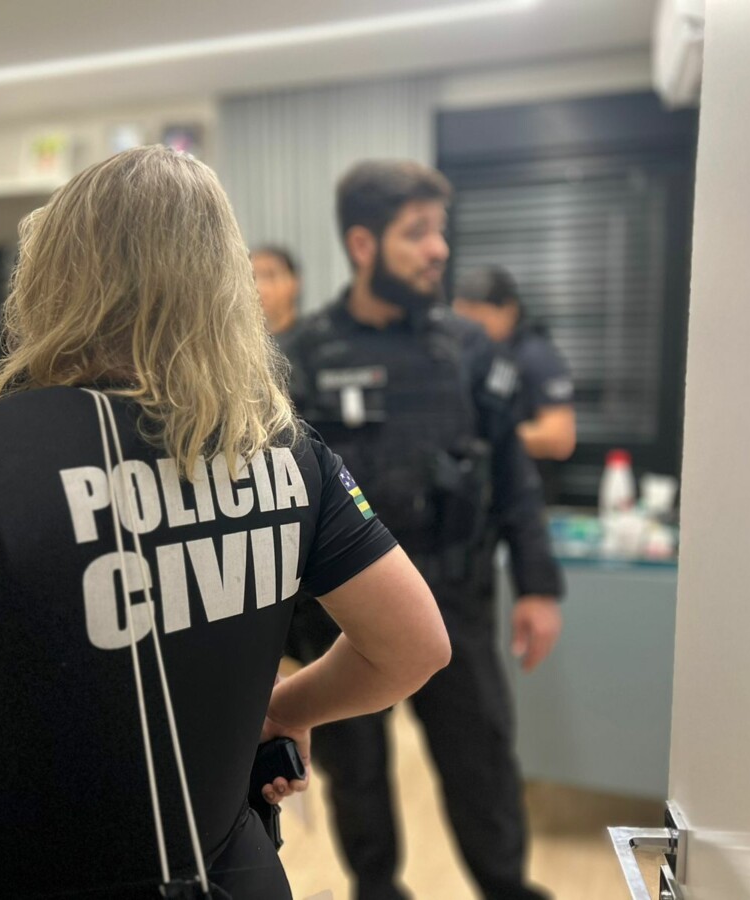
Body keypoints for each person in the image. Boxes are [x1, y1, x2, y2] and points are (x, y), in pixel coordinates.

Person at [0, 146, 452, 900]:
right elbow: (413, 646)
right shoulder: (287, 453)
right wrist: (287, 706)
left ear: (51, 279)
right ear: (224, 284)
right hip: (232, 877)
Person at [283, 160, 564, 900]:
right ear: (363, 244)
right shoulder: (301, 357)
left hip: (455, 596)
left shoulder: (470, 349)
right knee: (357, 775)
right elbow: (278, 498)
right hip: (339, 612)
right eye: (417, 233)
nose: (439, 249)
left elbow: (514, 477)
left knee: (482, 761)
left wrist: (537, 586)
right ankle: (376, 888)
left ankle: (504, 887)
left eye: (439, 230)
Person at [453, 266, 576, 461]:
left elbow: (559, 439)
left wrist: (493, 435)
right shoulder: (456, 354)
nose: (468, 329)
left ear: (509, 311)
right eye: (461, 319)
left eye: (478, 318)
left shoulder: (534, 355)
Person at [251, 245, 301, 339]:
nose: (259, 288)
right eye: (252, 278)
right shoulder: (240, 342)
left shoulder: (314, 340)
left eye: (269, 276)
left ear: (294, 283)